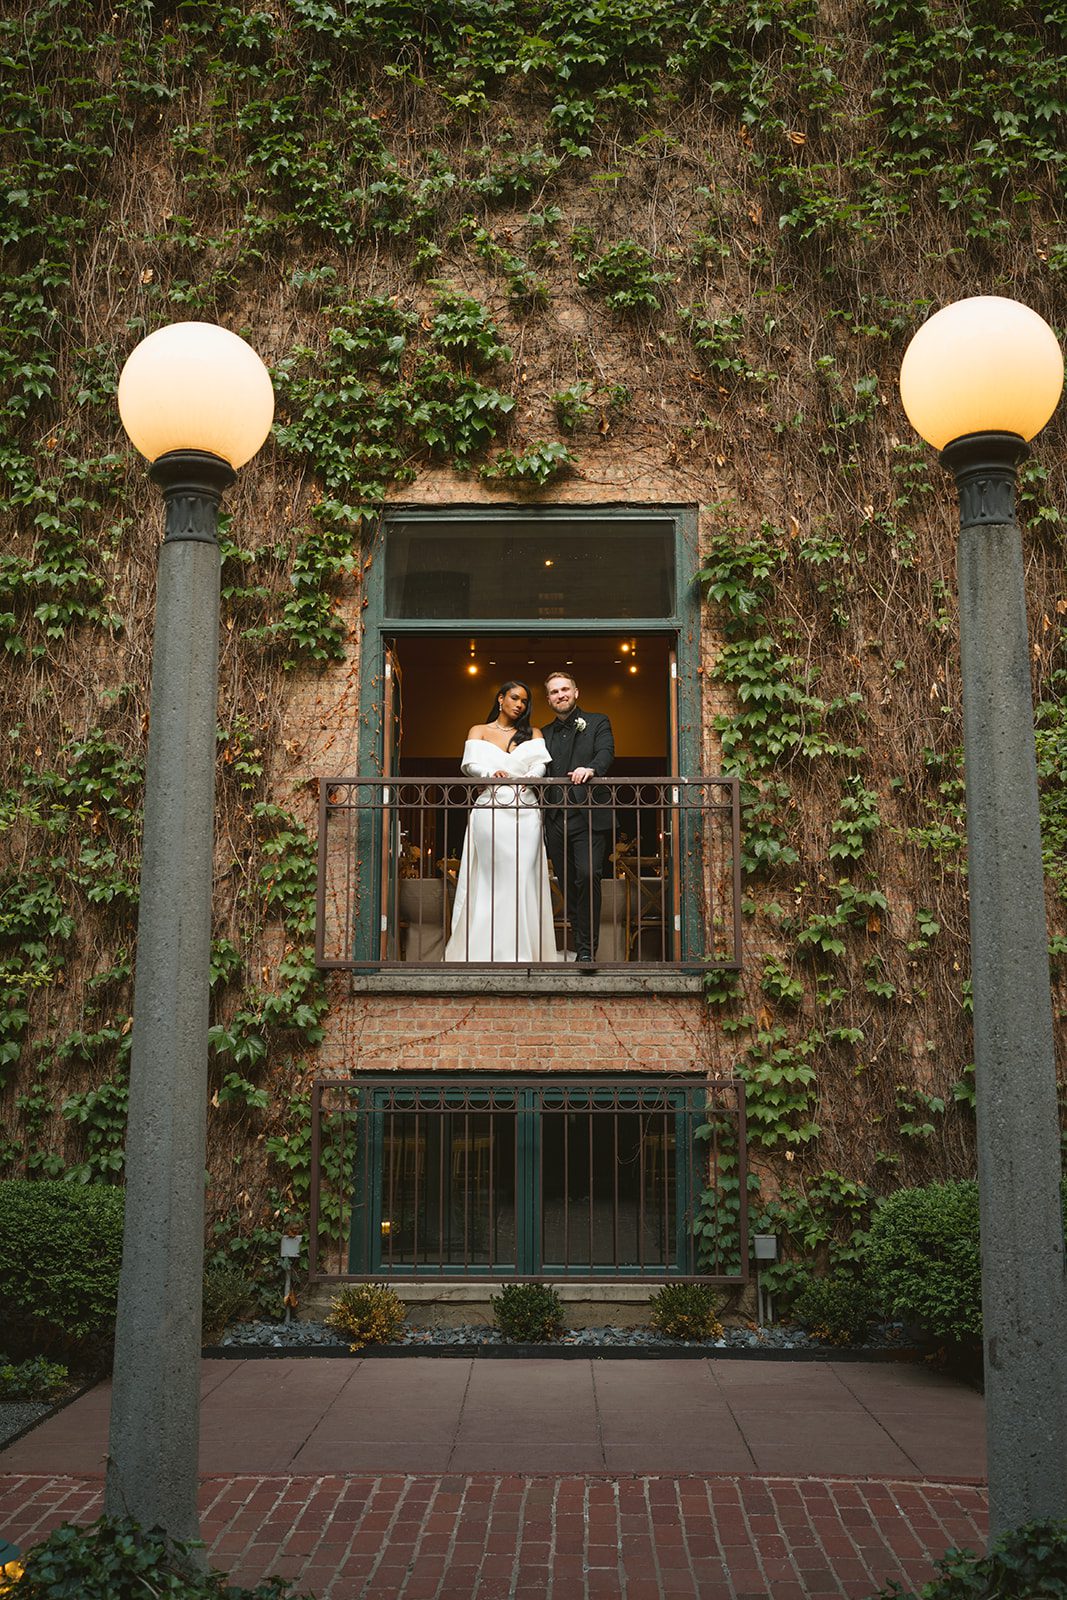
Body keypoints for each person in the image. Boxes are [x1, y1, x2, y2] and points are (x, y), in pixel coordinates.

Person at [444, 680, 561, 963]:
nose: (520, 705)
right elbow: (469, 765)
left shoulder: (532, 733)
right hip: (491, 807)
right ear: (500, 699)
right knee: (491, 877)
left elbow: (540, 765)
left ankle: (524, 952)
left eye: (524, 701)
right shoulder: (479, 731)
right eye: (514, 698)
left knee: (523, 876)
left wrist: (532, 777)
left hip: (525, 807)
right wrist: (490, 772)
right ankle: (484, 950)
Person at [541, 670, 615, 966]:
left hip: (588, 816)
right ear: (548, 699)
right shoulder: (542, 734)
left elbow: (606, 752)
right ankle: (581, 945)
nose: (561, 695)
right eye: (554, 692)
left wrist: (592, 769)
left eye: (565, 689)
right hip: (556, 818)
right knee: (567, 883)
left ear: (576, 692)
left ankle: (587, 949)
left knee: (588, 875)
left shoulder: (598, 721)